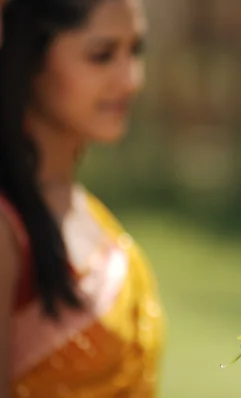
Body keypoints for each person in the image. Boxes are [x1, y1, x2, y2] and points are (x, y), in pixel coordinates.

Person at [0, 0, 165, 397]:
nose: (131, 79)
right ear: (31, 57)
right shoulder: (8, 228)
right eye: (102, 55)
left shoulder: (81, 207)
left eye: (135, 50)